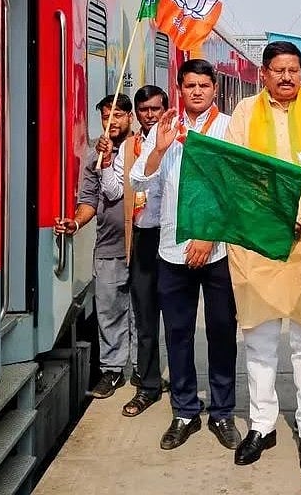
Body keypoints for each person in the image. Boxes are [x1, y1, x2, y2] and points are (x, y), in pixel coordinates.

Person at [225, 41, 301, 474]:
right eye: (279, 70)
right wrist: (266, 220)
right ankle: (261, 424)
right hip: (257, 240)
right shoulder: (244, 112)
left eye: (294, 70)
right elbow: (235, 168)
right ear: (264, 73)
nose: (288, 77)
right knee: (258, 340)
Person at [130, 59, 241, 452]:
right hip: (172, 250)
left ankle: (223, 412)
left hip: (217, 251)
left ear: (215, 89)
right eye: (189, 85)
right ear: (179, 88)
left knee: (221, 331)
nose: (196, 91)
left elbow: (233, 188)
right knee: (177, 333)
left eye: (203, 85)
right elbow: (139, 180)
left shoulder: (229, 128)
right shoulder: (165, 128)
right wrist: (158, 150)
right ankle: (184, 411)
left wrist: (208, 236)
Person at [55, 94, 135, 399]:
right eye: (105, 116)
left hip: (140, 247)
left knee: (141, 314)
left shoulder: (141, 149)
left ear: (130, 118)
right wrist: (75, 223)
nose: (111, 122)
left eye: (117, 115)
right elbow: (89, 201)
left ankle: (142, 370)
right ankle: (112, 371)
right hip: (108, 246)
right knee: (109, 311)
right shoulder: (93, 158)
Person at [99, 85, 170, 416]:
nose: (150, 114)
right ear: (137, 114)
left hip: (172, 238)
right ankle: (149, 384)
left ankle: (181, 383)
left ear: (165, 108)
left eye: (156, 108)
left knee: (176, 318)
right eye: (144, 110)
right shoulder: (129, 147)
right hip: (142, 237)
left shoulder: (179, 141)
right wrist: (106, 160)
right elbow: (115, 190)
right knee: (144, 316)